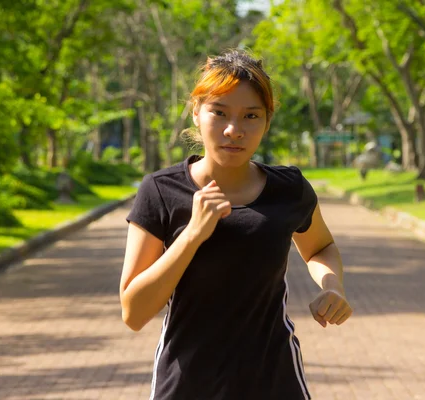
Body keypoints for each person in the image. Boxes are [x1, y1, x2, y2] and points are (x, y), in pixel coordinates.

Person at [119, 50, 352, 400]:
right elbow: (134, 312)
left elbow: (320, 247)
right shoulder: (161, 190)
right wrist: (192, 235)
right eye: (219, 112)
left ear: (267, 121)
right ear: (196, 113)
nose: (234, 130)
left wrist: (333, 286)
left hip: (274, 380)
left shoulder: (288, 189)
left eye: (251, 116)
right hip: (187, 384)